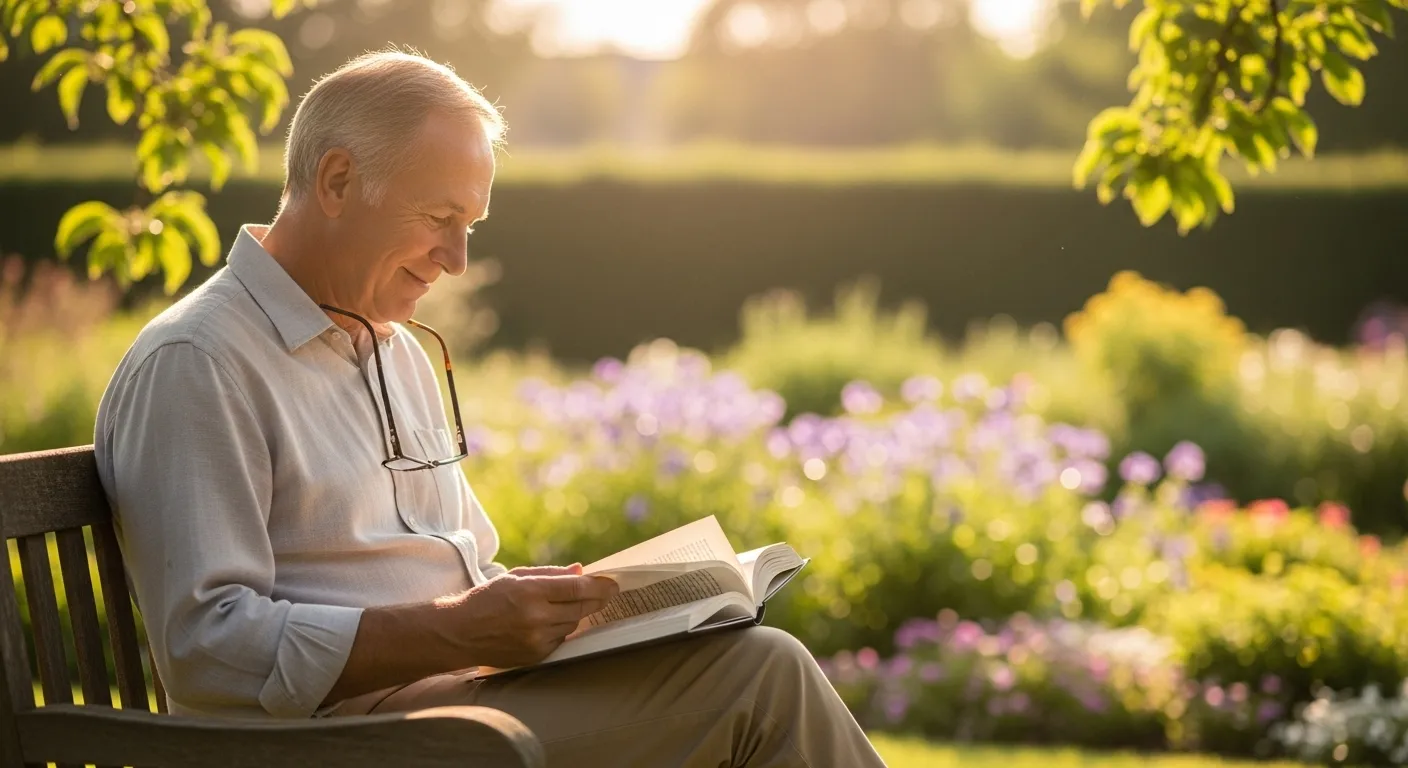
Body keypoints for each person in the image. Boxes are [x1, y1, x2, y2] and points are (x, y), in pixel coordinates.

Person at [93, 49, 888, 767]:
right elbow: (207, 647)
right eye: (440, 220)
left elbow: (459, 571)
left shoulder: (395, 350)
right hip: (336, 741)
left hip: (457, 702)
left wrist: (549, 614)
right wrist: (458, 628)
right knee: (761, 684)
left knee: (757, 661)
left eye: (468, 227)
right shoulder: (198, 362)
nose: (458, 259)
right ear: (336, 182)